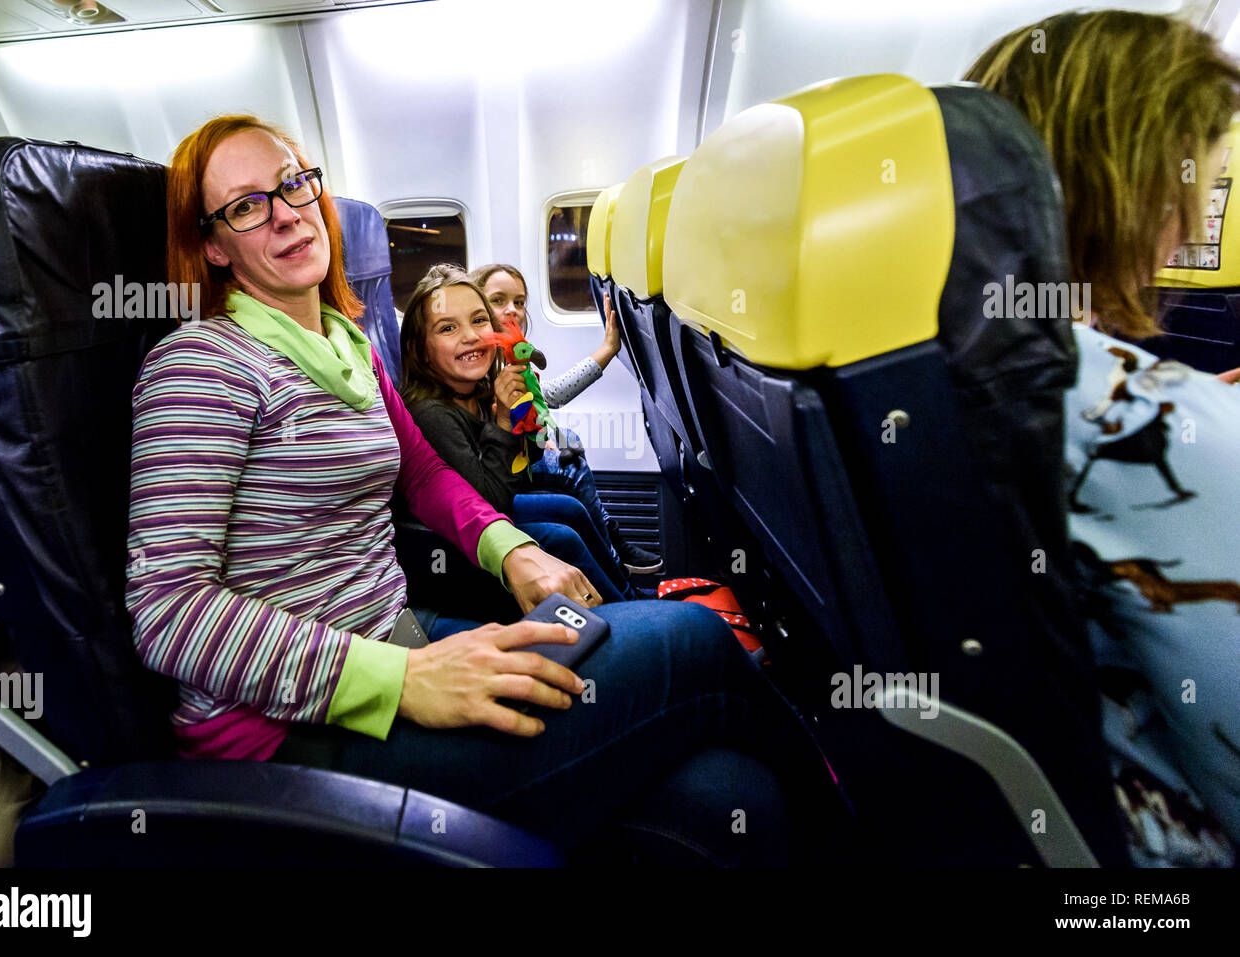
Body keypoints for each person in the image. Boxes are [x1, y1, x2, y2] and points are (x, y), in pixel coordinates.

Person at [125, 113, 848, 864]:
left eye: (293, 184)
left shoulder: (343, 343)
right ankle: (862, 839)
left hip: (394, 634)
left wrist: (512, 551)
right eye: (246, 205)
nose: (284, 213)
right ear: (213, 245)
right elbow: (168, 608)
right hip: (288, 734)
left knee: (731, 794)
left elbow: (422, 472)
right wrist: (403, 678)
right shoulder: (201, 365)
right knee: (695, 640)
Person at [965, 9, 1240, 858]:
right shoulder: (1148, 411)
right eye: (1191, 183)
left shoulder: (962, 358)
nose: (1198, 224)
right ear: (1129, 183)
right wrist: (1199, 427)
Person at [399, 264, 632, 603]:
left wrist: (529, 423)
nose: (471, 336)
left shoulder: (480, 388)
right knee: (562, 538)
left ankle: (625, 595)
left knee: (571, 510)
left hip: (496, 503)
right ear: (420, 350)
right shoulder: (433, 414)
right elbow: (487, 505)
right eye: (448, 327)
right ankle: (618, 612)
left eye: (479, 321)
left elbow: (520, 469)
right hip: (452, 546)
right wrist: (505, 423)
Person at [471, 263, 663, 574]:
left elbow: (550, 395)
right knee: (568, 463)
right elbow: (490, 431)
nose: (512, 310)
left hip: (520, 444)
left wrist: (608, 349)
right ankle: (612, 558)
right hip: (500, 460)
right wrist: (532, 441)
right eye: (498, 300)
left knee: (568, 438)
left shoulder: (511, 358)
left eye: (519, 302)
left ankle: (608, 533)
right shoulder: (478, 362)